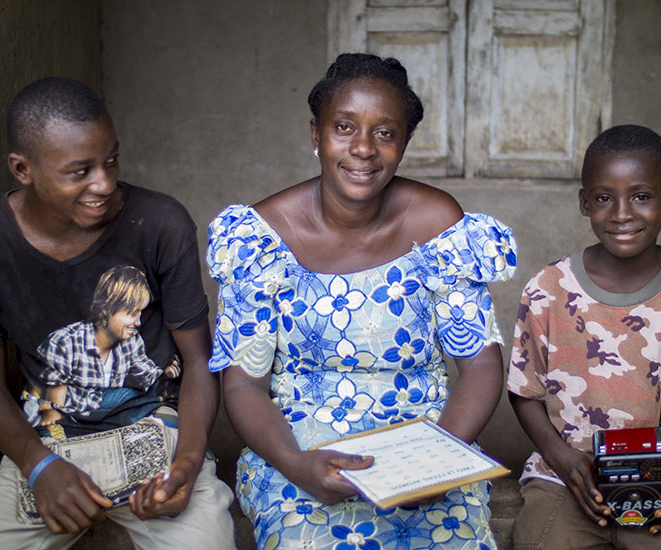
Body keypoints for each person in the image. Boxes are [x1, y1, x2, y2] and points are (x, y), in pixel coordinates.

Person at [208, 53, 517, 549]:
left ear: (404, 144)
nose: (363, 149)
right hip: (300, 447)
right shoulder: (261, 238)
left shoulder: (437, 225)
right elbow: (244, 385)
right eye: (345, 127)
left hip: (427, 441)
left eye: (385, 133)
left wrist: (435, 462)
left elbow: (480, 367)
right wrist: (296, 465)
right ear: (316, 135)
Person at [0, 77, 234, 548]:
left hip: (157, 435)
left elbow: (199, 362)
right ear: (23, 169)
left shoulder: (160, 222)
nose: (103, 183)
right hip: (47, 440)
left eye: (111, 161)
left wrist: (184, 465)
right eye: (79, 171)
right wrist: (38, 465)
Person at [506, 124, 661, 549]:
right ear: (584, 203)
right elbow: (524, 392)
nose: (621, 213)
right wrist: (562, 459)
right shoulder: (548, 289)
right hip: (565, 480)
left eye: (641, 196)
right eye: (602, 198)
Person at [35, 265, 180, 426]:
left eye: (140, 313)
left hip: (111, 411)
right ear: (107, 308)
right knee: (129, 397)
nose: (138, 322)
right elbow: (53, 395)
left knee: (141, 396)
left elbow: (145, 372)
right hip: (74, 414)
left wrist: (165, 372)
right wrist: (55, 421)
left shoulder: (132, 340)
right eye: (132, 314)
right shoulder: (65, 342)